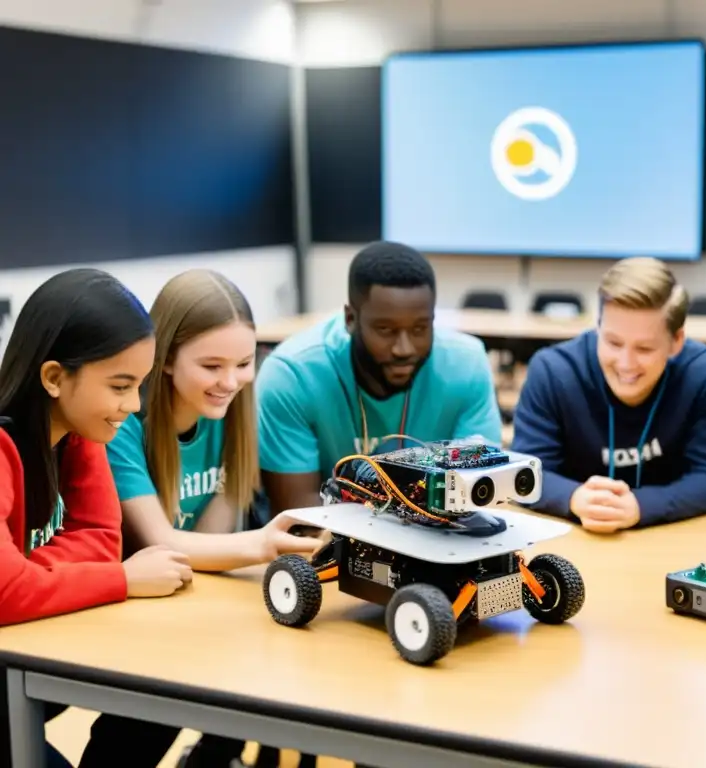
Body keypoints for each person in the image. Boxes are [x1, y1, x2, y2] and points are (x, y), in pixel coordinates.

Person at [99, 270, 322, 768]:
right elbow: (161, 541)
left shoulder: (229, 418)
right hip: (121, 626)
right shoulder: (123, 425)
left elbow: (208, 547)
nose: (231, 381)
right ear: (166, 358)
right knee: (142, 726)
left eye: (244, 363)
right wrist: (265, 544)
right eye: (212, 365)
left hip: (179, 611)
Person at [0, 269, 193, 768]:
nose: (133, 406)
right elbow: (4, 592)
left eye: (139, 386)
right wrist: (123, 579)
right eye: (120, 386)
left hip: (30, 650)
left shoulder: (80, 433)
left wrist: (32, 572)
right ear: (54, 378)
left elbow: (100, 538)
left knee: (166, 689)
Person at [256, 241, 503, 517]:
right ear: (350, 319)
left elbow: (480, 491)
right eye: (385, 330)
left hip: (437, 545)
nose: (404, 349)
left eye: (420, 328)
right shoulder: (291, 375)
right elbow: (299, 516)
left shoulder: (466, 365)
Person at [511, 257, 706, 533]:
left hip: (665, 539)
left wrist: (642, 505)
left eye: (645, 349)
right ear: (597, 327)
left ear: (676, 341)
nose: (626, 363)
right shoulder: (553, 371)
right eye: (613, 342)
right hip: (574, 540)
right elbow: (524, 473)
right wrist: (574, 498)